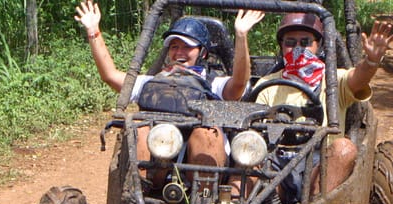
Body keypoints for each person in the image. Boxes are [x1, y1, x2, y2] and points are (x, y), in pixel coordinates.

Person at [75, 0, 264, 189]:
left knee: (205, 134)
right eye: (174, 47)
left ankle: (204, 197)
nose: (179, 52)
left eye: (187, 47)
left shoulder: (213, 83)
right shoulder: (153, 81)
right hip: (159, 154)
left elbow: (239, 83)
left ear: (203, 53)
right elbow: (110, 76)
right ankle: (140, 190)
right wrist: (93, 31)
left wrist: (241, 35)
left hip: (205, 165)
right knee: (141, 129)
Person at [251, 12, 393, 202]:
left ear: (318, 46)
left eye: (305, 42)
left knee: (344, 148)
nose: (298, 48)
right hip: (276, 164)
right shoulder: (267, 84)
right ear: (281, 47)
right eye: (290, 42)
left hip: (321, 163)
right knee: (245, 164)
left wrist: (372, 61)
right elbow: (253, 130)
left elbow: (359, 78)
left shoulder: (334, 80)